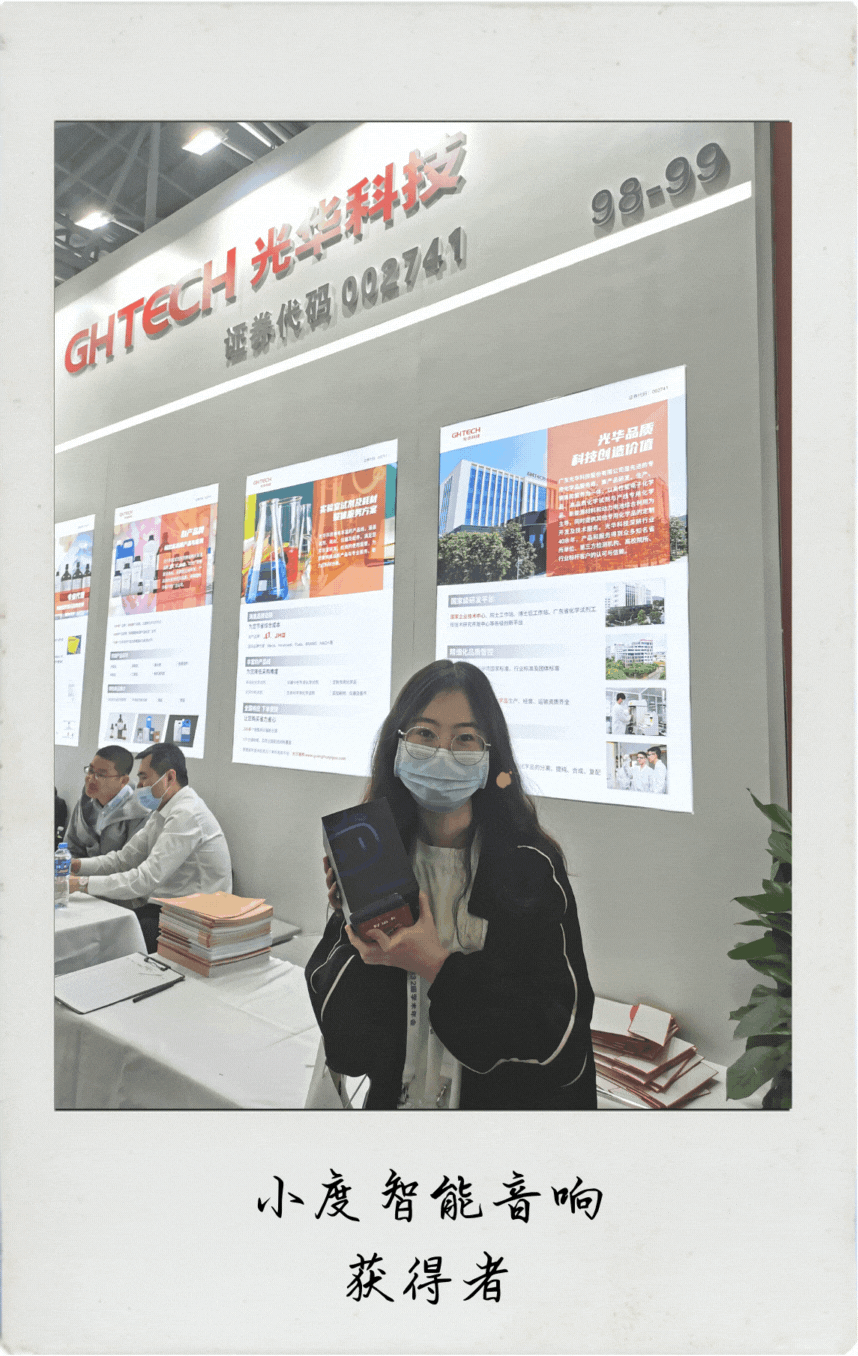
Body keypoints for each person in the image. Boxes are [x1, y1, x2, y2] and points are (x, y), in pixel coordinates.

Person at [306, 660, 596, 1111]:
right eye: (424, 733)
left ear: (490, 754)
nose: (443, 753)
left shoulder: (529, 866)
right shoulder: (376, 854)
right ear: (398, 744)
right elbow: (349, 1048)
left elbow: (559, 1038)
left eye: (465, 738)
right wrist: (357, 935)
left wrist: (435, 966)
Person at [68, 742, 232, 952]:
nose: (139, 786)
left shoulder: (186, 814)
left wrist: (81, 884)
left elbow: (145, 879)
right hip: (168, 908)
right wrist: (76, 865)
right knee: (98, 927)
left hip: (195, 919)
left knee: (107, 940)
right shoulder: (162, 811)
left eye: (144, 777)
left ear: (169, 778)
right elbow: (123, 859)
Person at [64, 745, 150, 859]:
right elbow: (70, 848)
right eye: (90, 770)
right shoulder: (84, 803)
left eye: (101, 774)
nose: (90, 778)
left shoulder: (140, 812)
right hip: (80, 869)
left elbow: (129, 861)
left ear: (123, 781)